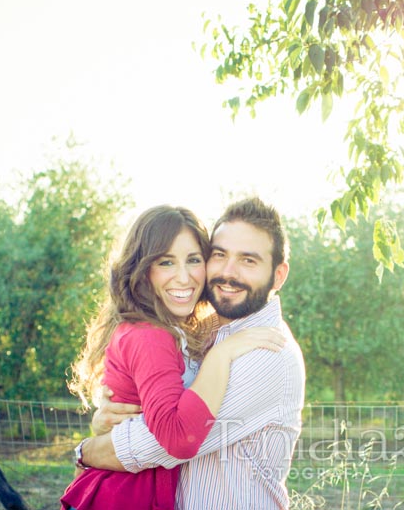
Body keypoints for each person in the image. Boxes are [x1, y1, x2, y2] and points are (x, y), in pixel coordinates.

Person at [77, 197, 306, 509]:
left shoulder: (265, 353)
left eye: (248, 261)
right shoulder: (200, 334)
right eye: (219, 255)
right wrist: (111, 417)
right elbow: (160, 406)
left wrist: (85, 451)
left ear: (278, 275)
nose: (228, 272)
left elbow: (163, 444)